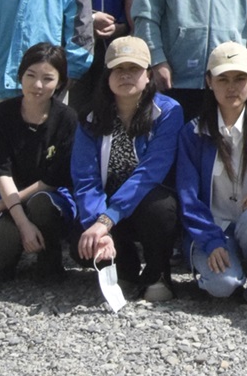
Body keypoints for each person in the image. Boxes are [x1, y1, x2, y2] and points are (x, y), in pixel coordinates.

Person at [175, 40, 247, 311]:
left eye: (239, 78)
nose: (231, 87)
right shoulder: (192, 133)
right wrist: (211, 240)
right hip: (214, 228)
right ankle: (232, 269)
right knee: (222, 285)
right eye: (222, 78)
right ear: (209, 81)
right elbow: (188, 197)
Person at [70, 35, 184, 301]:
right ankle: (124, 266)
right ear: (107, 76)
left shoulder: (168, 112)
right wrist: (99, 227)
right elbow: (85, 180)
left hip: (146, 202)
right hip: (106, 206)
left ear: (148, 75)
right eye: (118, 69)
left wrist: (107, 219)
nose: (126, 75)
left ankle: (158, 273)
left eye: (134, 69)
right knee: (80, 241)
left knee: (161, 208)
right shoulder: (89, 117)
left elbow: (150, 173)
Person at [0, 42, 77, 281]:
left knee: (42, 203)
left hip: (50, 195)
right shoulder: (1, 114)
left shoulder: (67, 119)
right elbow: (2, 173)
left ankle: (50, 263)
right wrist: (22, 222)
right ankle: (6, 263)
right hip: (9, 194)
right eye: (30, 75)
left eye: (47, 78)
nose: (37, 85)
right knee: (6, 238)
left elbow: (52, 181)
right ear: (20, 75)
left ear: (60, 83)